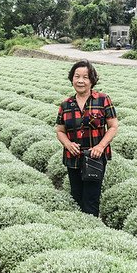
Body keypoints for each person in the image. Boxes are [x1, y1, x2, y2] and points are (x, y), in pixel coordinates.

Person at [55, 60, 119, 217]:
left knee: (91, 199)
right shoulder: (66, 104)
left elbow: (113, 127)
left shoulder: (103, 99)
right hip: (73, 158)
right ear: (72, 79)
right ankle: (77, 227)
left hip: (94, 158)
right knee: (76, 197)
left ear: (92, 80)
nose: (80, 80)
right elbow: (60, 130)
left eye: (85, 77)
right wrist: (68, 144)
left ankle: (91, 229)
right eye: (77, 76)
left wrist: (100, 147)